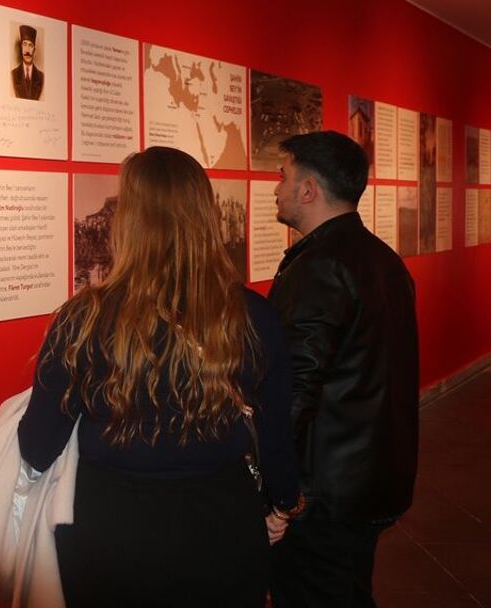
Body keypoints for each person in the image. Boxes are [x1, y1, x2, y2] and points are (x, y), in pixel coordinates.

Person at [18, 146, 301, 607]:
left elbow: (37, 447)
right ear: (205, 217)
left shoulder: (82, 320)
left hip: (109, 538)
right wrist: (283, 503)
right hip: (221, 532)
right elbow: (275, 435)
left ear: (128, 221)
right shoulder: (252, 316)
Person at [268, 131, 419, 608]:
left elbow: (295, 388)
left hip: (324, 494)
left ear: (308, 189)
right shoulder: (384, 260)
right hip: (369, 480)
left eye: (283, 176)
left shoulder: (320, 267)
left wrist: (278, 491)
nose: (276, 188)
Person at [11, 25, 44, 99]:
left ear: (34, 50)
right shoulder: (13, 74)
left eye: (30, 45)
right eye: (25, 44)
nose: (27, 50)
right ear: (21, 48)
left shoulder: (41, 77)